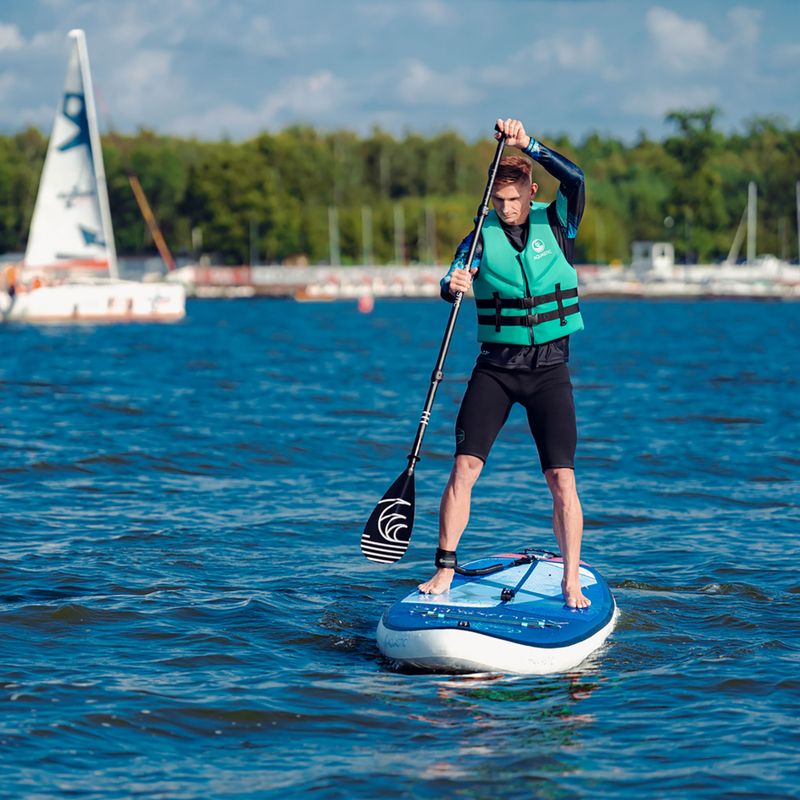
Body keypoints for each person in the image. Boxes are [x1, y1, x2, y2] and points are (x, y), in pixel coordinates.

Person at [418, 117, 590, 608]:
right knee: (463, 469)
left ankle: (570, 580)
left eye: (515, 201)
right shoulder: (476, 239)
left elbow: (576, 178)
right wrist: (451, 286)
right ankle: (444, 571)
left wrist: (527, 142)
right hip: (496, 369)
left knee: (562, 478)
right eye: (499, 203)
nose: (509, 210)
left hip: (550, 369)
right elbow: (449, 280)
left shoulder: (558, 222)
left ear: (531, 191)